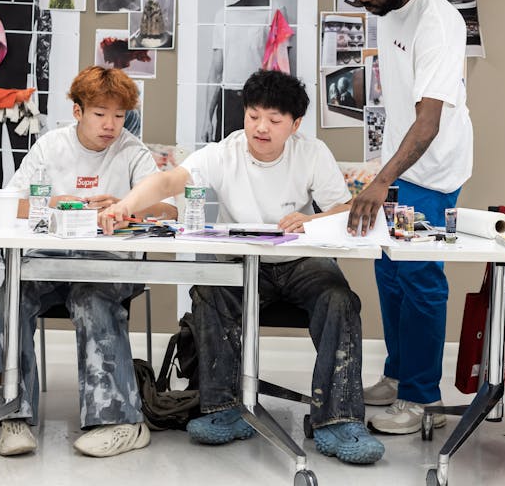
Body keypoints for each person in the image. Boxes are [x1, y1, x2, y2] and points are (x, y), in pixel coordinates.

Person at [100, 70, 386, 465]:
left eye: (274, 119)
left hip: (303, 259)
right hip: (243, 259)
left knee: (339, 300)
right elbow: (168, 183)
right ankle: (226, 410)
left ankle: (338, 421)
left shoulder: (311, 152)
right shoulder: (224, 153)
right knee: (209, 291)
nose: (261, 128)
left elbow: (342, 208)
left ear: (295, 124)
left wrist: (312, 221)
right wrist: (124, 207)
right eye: (253, 117)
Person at [0, 66, 176, 458]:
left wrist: (128, 205)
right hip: (50, 259)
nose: (110, 125)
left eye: (119, 116)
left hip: (108, 262)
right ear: (77, 111)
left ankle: (120, 421)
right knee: (11, 298)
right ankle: (14, 415)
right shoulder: (50, 147)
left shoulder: (132, 152)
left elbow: (170, 210)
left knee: (91, 297)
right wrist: (54, 203)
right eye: (100, 113)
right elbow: (12, 201)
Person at [347, 0, 473, 435]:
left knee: (420, 278)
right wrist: (378, 168)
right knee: (390, 272)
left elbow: (428, 123)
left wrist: (381, 180)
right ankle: (399, 375)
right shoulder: (389, 8)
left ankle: (423, 400)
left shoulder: (438, 25)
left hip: (432, 167)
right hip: (399, 164)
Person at [200, 0, 295, 142]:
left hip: (261, 102)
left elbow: (283, 70)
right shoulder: (223, 15)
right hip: (229, 103)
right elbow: (216, 71)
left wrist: (282, 115)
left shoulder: (275, 10)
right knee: (225, 166)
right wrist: (207, 119)